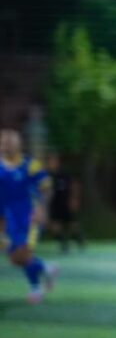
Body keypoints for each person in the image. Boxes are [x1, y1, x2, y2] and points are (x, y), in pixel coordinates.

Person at [0, 129, 58, 303]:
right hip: (7, 218)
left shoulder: (30, 165)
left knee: (24, 253)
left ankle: (36, 288)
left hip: (29, 216)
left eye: (10, 142)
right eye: (4, 142)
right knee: (15, 259)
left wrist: (41, 209)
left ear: (19, 144)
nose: (6, 145)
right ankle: (47, 268)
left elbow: (47, 189)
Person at [46, 153, 85, 254]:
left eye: (54, 161)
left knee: (72, 224)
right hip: (54, 203)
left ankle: (79, 239)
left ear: (57, 162)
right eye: (50, 161)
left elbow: (75, 185)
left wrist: (74, 198)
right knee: (53, 225)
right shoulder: (46, 175)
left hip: (66, 202)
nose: (52, 163)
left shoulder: (64, 173)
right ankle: (63, 243)